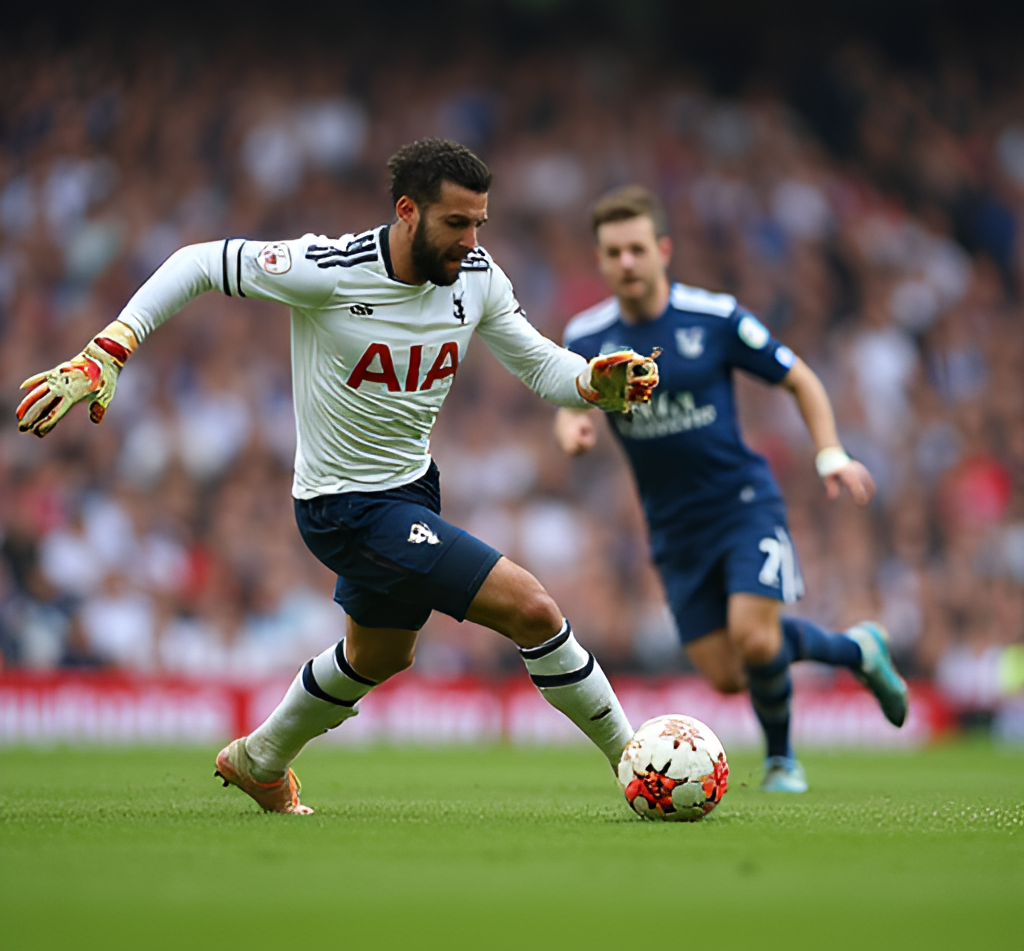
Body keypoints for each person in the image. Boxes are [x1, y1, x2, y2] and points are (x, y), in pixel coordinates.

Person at [17, 139, 660, 815]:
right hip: (343, 507)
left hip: (412, 491)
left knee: (380, 655)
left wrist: (592, 381)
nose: (471, 241)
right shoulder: (331, 269)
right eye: (455, 223)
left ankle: (259, 759)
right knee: (532, 608)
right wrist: (109, 349)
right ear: (407, 211)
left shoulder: (477, 278)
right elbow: (198, 262)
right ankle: (637, 762)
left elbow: (539, 365)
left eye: (479, 224)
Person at [554, 185, 908, 793]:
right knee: (726, 674)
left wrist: (830, 453)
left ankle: (781, 761)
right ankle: (859, 651)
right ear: (600, 260)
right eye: (614, 252)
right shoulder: (586, 336)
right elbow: (566, 401)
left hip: (742, 502)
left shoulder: (713, 317)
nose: (627, 262)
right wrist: (573, 429)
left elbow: (799, 378)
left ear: (663, 250)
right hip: (672, 527)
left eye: (637, 248)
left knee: (755, 635)